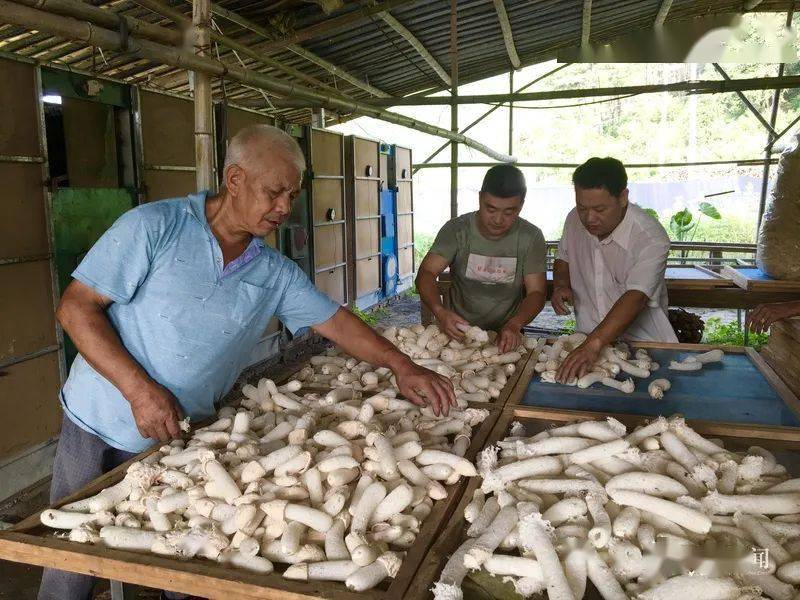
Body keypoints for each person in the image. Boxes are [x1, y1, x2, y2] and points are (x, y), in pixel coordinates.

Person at [39, 125, 455, 600]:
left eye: (291, 195)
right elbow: (75, 308)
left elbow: (335, 322)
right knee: (68, 554)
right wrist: (138, 391)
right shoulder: (154, 228)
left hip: (178, 433)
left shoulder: (271, 270)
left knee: (185, 556)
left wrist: (402, 365)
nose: (284, 207)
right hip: (98, 422)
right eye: (274, 191)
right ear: (234, 179)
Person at [553, 157, 678, 384]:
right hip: (587, 342)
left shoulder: (650, 238)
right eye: (582, 208)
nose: (589, 218)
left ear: (623, 197)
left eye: (600, 209)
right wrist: (561, 284)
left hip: (644, 349)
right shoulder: (574, 219)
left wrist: (594, 344)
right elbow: (564, 257)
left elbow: (636, 297)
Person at [416, 164, 548, 353]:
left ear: (521, 205)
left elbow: (537, 292)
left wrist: (515, 324)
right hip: (457, 334)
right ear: (480, 198)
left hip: (506, 336)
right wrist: (440, 312)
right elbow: (426, 273)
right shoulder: (457, 230)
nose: (498, 219)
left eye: (509, 212)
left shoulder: (530, 237)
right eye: (490, 209)